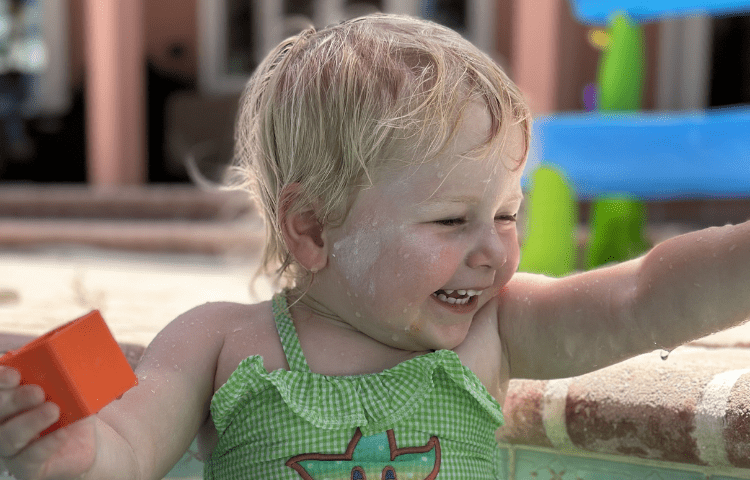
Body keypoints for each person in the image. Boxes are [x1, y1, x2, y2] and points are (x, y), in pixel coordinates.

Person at [1, 13, 749, 480]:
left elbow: (640, 296)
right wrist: (74, 457)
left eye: (506, 214)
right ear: (315, 229)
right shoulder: (219, 343)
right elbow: (128, 448)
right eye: (452, 221)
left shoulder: (495, 330)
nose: (492, 250)